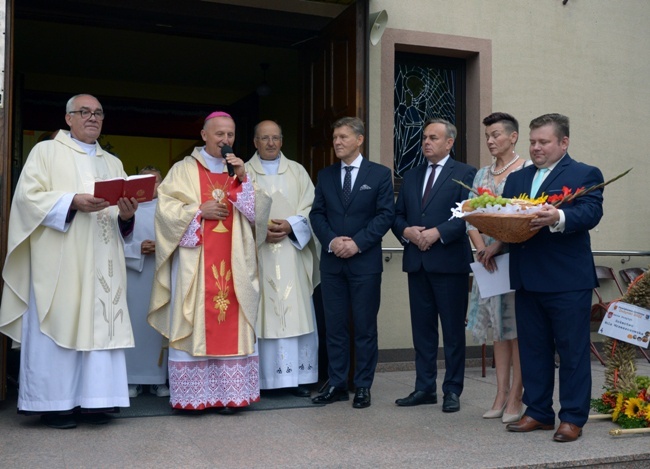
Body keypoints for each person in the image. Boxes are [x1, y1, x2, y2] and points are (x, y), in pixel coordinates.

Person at [0, 94, 139, 429]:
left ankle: (98, 401)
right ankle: (54, 404)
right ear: (68, 118)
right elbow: (27, 200)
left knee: (100, 321)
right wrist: (72, 201)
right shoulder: (46, 152)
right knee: (60, 322)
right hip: (61, 258)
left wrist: (127, 215)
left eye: (98, 113)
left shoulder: (112, 162)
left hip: (102, 258)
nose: (92, 117)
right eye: (84, 112)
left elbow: (122, 220)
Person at [148, 111, 270, 411]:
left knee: (232, 318)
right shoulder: (183, 169)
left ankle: (232, 395)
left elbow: (260, 215)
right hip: (196, 263)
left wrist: (243, 181)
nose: (225, 140)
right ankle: (195, 398)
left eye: (230, 135)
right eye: (219, 135)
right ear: (204, 135)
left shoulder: (240, 170)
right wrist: (198, 211)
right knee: (196, 320)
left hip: (235, 260)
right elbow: (165, 211)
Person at [502, 113, 604, 442]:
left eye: (543, 142)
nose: (536, 148)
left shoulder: (584, 173)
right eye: (532, 142)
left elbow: (590, 212)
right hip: (526, 277)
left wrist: (558, 215)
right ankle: (539, 412)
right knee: (533, 350)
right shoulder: (517, 179)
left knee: (572, 351)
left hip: (567, 280)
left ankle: (573, 417)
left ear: (563, 142)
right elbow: (508, 218)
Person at [309, 116, 394, 409]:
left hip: (364, 263)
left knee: (364, 326)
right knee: (334, 326)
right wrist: (333, 241)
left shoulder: (380, 174)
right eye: (335, 138)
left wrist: (357, 243)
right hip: (332, 263)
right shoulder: (325, 175)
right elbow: (316, 214)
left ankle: (362, 386)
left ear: (359, 140)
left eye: (343, 137)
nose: (337, 142)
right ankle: (336, 383)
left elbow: (385, 215)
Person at [392, 118, 476, 413]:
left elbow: (468, 215)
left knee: (453, 332)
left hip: (449, 263)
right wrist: (407, 232)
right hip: (418, 263)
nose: (426, 142)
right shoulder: (411, 175)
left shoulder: (465, 173)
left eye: (433, 138)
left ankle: (452, 390)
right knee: (423, 331)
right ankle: (424, 387)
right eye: (425, 138)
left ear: (449, 142)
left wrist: (438, 232)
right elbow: (397, 214)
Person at [245, 120, 320, 397]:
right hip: (259, 252)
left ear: (282, 140)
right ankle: (263, 379)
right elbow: (237, 209)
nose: (270, 143)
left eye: (275, 138)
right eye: (264, 138)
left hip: (291, 251)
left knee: (295, 310)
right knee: (263, 312)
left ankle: (297, 378)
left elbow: (312, 207)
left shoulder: (297, 171)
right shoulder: (244, 172)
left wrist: (291, 226)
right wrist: (260, 231)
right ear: (255, 142)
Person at [466, 112, 526, 423]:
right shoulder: (480, 175)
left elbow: (523, 218)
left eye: (497, 134)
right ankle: (500, 392)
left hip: (513, 258)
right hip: (486, 262)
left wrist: (498, 245)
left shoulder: (526, 170)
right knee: (499, 332)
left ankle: (517, 395)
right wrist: (481, 249)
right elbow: (469, 214)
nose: (491, 140)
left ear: (513, 137)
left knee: (516, 331)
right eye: (488, 135)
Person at [123, 166, 169, 398]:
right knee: (134, 326)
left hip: (161, 276)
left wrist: (163, 248)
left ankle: (159, 380)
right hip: (134, 276)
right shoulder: (126, 210)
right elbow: (111, 242)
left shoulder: (169, 210)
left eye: (156, 181)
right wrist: (136, 249)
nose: (152, 186)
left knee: (158, 328)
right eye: (146, 181)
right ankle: (132, 379)